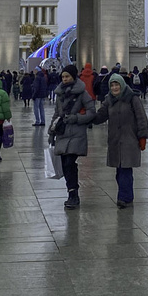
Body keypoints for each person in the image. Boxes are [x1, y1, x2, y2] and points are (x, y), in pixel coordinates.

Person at [92, 72, 148, 208]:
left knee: (125, 171)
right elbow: (100, 116)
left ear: (122, 85)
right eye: (112, 85)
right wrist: (86, 116)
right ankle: (125, 196)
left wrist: (143, 136)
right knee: (119, 172)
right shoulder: (109, 100)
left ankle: (125, 198)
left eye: (116, 84)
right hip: (115, 141)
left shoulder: (133, 98)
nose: (114, 88)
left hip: (129, 140)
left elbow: (141, 117)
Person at [51, 63, 97, 209]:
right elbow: (57, 114)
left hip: (76, 133)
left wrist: (77, 118)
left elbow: (92, 112)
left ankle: (74, 195)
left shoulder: (83, 94)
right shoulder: (59, 94)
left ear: (73, 76)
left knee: (69, 162)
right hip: (62, 132)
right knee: (66, 165)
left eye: (67, 76)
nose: (64, 79)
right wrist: (51, 132)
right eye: (63, 77)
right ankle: (71, 191)